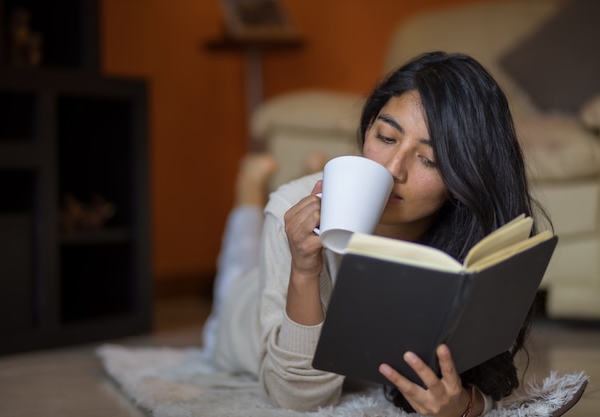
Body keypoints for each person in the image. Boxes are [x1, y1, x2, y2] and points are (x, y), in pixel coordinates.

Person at [202, 51, 548, 417]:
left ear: (467, 176)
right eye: (385, 137)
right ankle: (250, 187)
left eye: (429, 160)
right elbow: (297, 399)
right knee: (239, 266)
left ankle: (319, 168)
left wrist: (464, 405)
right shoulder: (290, 208)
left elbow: (488, 380)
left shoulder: (470, 240)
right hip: (244, 314)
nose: (394, 170)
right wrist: (304, 271)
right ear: (367, 128)